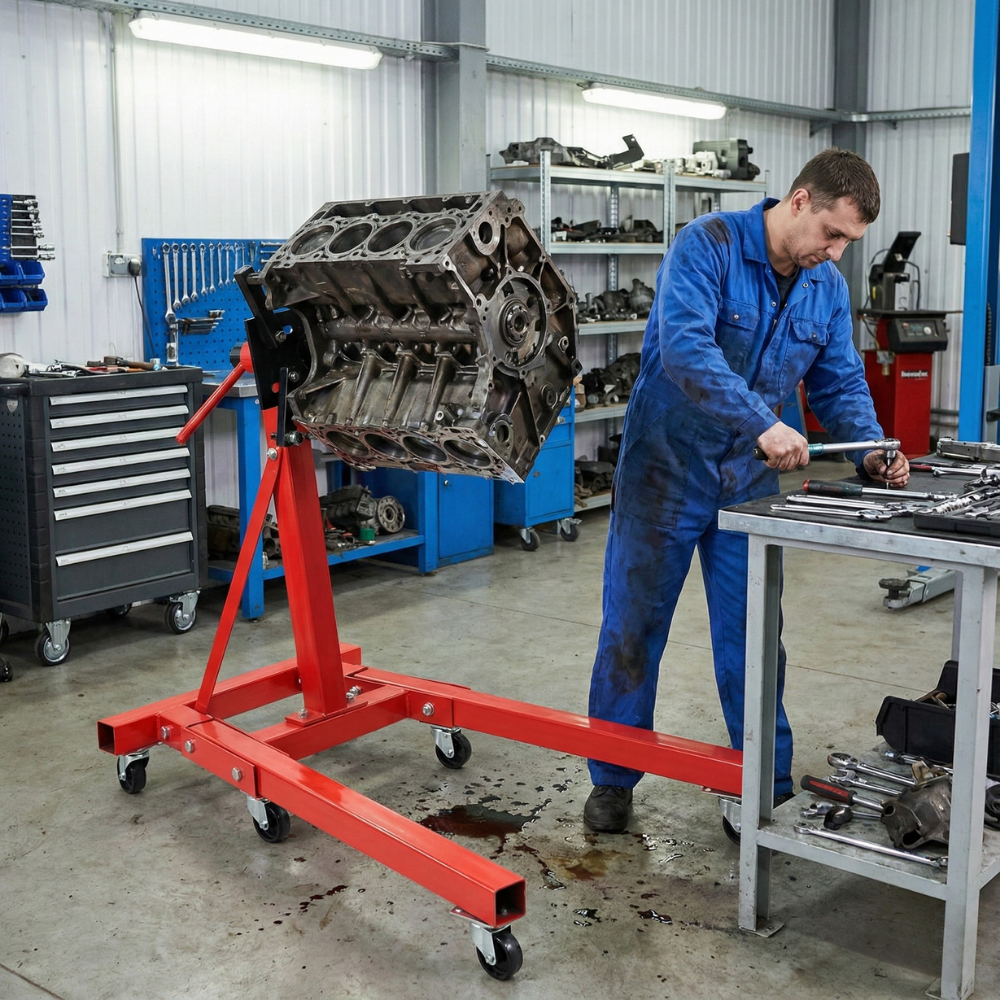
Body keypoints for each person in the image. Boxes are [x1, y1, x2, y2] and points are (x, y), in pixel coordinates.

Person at [583, 148, 910, 834]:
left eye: (850, 241)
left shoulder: (824, 287)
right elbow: (685, 350)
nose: (838, 253)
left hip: (747, 480)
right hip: (664, 468)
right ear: (798, 202)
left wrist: (873, 446)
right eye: (833, 234)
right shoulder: (707, 246)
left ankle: (762, 778)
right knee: (633, 627)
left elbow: (839, 381)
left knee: (755, 637)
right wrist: (763, 420)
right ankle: (613, 775)